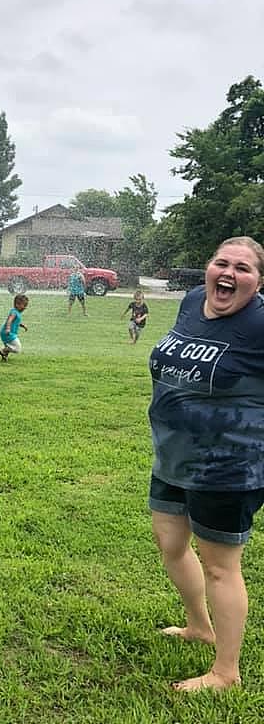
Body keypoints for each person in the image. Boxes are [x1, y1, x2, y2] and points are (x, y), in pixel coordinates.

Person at [149, 236, 264, 691]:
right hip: (174, 454)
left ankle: (225, 672)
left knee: (220, 565)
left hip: (228, 464)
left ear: (258, 281)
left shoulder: (260, 322)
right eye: (222, 263)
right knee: (170, 541)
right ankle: (199, 626)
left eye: (243, 268)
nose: (229, 274)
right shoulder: (193, 300)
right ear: (208, 268)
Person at [0, 293, 29, 361]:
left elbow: (15, 322)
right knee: (17, 348)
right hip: (8, 333)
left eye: (26, 305)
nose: (25, 307)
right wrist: (8, 329)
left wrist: (22, 325)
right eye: (24, 305)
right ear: (17, 304)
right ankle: (3, 350)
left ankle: (4, 356)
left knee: (9, 346)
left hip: (5, 332)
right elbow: (9, 320)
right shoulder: (14, 312)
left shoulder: (16, 312)